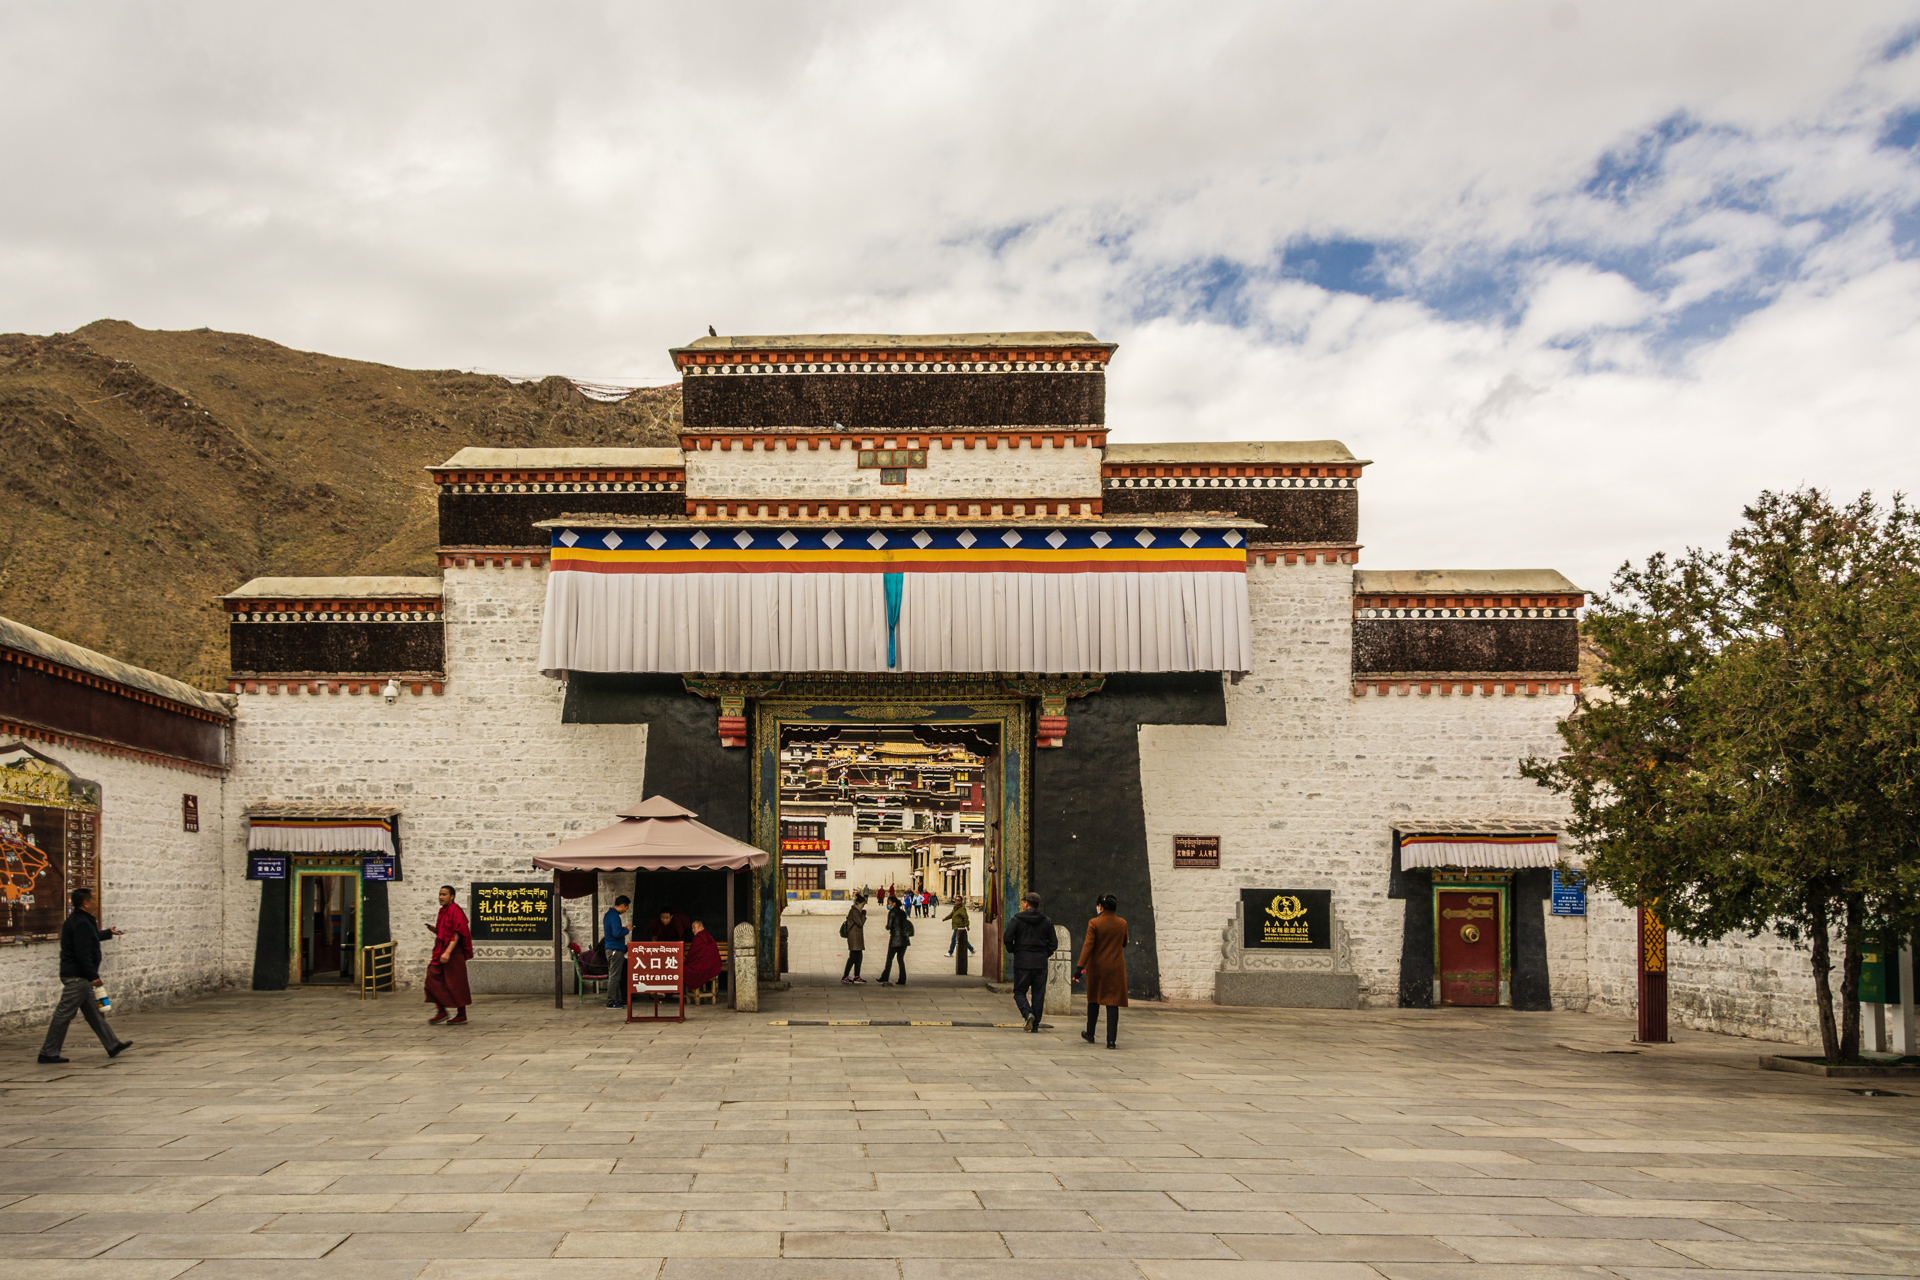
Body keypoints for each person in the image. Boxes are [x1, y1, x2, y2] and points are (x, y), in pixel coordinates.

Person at [38, 887, 130, 1064]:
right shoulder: (80, 922)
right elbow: (83, 952)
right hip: (78, 977)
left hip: (82, 978)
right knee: (64, 1014)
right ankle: (48, 1052)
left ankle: (112, 1045)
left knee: (95, 1013)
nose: (96, 902)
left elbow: (90, 938)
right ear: (86, 903)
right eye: (93, 900)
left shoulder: (81, 920)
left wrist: (107, 932)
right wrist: (92, 975)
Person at [1078, 894, 1129, 1049]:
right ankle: (1111, 1040)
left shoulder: (1094, 923)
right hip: (1116, 967)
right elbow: (1124, 943)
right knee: (1112, 1003)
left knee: (1093, 999)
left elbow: (1088, 946)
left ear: (1100, 906)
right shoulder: (1122, 923)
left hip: (1097, 967)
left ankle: (1090, 1033)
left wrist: (1079, 967)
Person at [1003, 891, 1056, 1033]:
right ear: (1038, 905)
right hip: (1040, 962)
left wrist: (1014, 950)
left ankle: (1027, 1013)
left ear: (1026, 903)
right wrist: (1045, 954)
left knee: (1019, 991)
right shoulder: (1047, 921)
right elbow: (1053, 943)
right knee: (1038, 993)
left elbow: (1007, 938)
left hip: (1022, 961)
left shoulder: (1017, 919)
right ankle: (1036, 1024)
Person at [424, 884, 473, 1025]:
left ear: (452, 896)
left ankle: (461, 1014)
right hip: (441, 951)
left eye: (444, 894)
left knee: (456, 983)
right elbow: (445, 931)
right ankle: (441, 1011)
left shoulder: (456, 911)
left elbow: (457, 933)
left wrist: (448, 952)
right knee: (431, 979)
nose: (440, 897)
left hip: (452, 953)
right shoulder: (443, 911)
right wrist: (435, 930)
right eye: (439, 894)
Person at [602, 894, 631, 1009]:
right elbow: (617, 933)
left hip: (611, 948)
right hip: (615, 949)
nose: (625, 911)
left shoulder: (608, 915)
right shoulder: (614, 917)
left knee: (617, 976)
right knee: (614, 977)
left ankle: (618, 999)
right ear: (622, 906)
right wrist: (626, 929)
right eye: (626, 908)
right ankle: (611, 1001)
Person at [879, 894, 913, 984]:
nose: (888, 905)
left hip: (895, 938)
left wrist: (887, 927)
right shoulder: (902, 912)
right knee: (900, 959)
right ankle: (902, 979)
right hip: (904, 938)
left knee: (889, 958)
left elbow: (889, 926)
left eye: (889, 903)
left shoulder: (892, 912)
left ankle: (885, 976)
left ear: (894, 903)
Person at [684, 919, 724, 993]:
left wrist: (686, 962)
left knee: (685, 969)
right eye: (692, 928)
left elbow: (691, 957)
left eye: (694, 927)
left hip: (702, 966)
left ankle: (692, 991)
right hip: (711, 966)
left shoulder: (699, 938)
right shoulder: (708, 936)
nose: (692, 930)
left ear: (701, 927)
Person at [840, 894, 868, 984]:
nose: (863, 906)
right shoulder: (854, 911)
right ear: (858, 903)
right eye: (862, 904)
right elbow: (860, 923)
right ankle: (845, 975)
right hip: (854, 937)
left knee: (859, 957)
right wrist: (863, 915)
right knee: (853, 957)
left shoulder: (856, 911)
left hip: (857, 937)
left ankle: (857, 976)